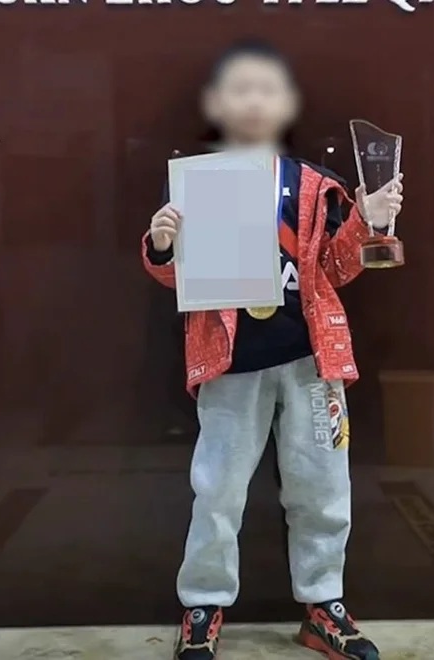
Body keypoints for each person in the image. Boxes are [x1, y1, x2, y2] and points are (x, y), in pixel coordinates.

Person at [142, 39, 404, 660]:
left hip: (312, 358)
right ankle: (203, 603)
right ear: (216, 103)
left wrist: (366, 218)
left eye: (267, 90)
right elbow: (179, 275)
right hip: (230, 358)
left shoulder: (314, 184)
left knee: (322, 485)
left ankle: (324, 603)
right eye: (240, 90)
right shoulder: (198, 183)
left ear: (287, 104)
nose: (254, 102)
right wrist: (161, 244)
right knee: (218, 488)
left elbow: (337, 269)